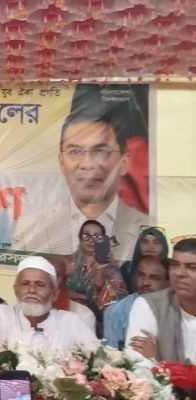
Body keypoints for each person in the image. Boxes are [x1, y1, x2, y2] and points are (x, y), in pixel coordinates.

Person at [12, 108, 147, 262]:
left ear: (124, 162)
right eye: (75, 152)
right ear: (61, 163)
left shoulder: (146, 228)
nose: (87, 164)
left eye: (101, 151)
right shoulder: (29, 229)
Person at [0, 256, 98, 352]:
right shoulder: (2, 315)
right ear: (16, 290)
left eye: (40, 285)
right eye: (25, 284)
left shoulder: (71, 322)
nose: (32, 290)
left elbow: (96, 358)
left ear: (54, 294)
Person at [125, 238, 196, 363]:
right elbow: (137, 365)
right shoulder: (149, 305)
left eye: (192, 267)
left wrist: (158, 361)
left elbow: (151, 364)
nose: (180, 273)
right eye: (175, 265)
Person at [65, 220, 128, 319]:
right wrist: (85, 297)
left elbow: (118, 303)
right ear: (80, 239)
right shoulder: (66, 262)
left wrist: (101, 273)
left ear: (103, 240)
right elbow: (55, 292)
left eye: (96, 237)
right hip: (67, 316)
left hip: (98, 320)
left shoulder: (111, 268)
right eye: (86, 235)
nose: (91, 240)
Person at [104, 256, 170, 349]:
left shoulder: (176, 310)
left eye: (154, 278)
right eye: (141, 275)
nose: (145, 282)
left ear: (168, 283)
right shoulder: (116, 311)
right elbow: (111, 353)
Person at [50, 257, 97, 332]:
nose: (50, 281)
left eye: (57, 275)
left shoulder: (83, 314)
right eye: (45, 276)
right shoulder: (29, 310)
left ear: (64, 279)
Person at [120, 227, 169, 294]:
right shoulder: (127, 268)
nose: (150, 246)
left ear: (163, 247)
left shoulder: (170, 269)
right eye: (145, 242)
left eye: (156, 243)